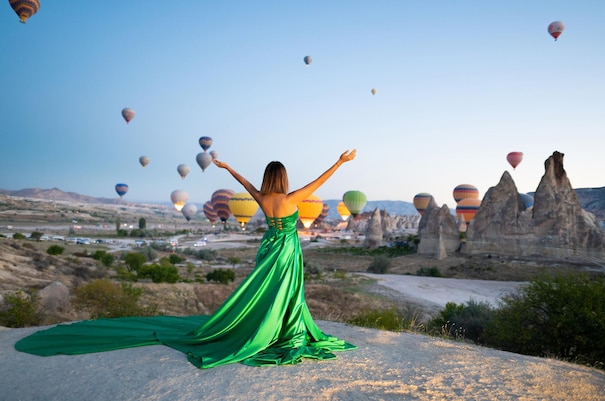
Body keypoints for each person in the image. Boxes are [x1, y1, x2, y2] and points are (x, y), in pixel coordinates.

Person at [15, 150, 357, 369]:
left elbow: (244, 181)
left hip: (268, 245)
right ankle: (285, 329)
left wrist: (226, 166)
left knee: (264, 291)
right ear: (284, 179)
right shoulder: (294, 197)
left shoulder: (262, 196)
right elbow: (319, 181)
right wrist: (340, 162)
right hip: (286, 249)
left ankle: (264, 326)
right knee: (287, 290)